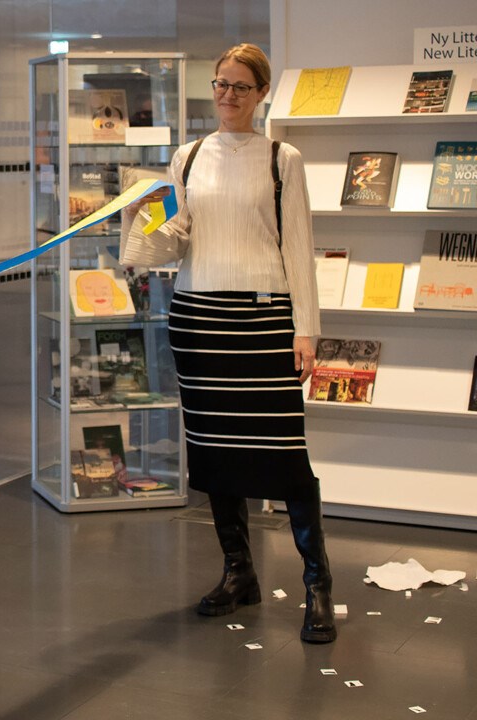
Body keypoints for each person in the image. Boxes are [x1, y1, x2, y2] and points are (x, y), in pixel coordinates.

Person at [120, 43, 335, 644]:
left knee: (288, 459)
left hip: (262, 321)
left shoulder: (280, 158)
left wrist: (306, 330)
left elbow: (297, 247)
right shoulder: (186, 157)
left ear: (261, 92)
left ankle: (318, 583)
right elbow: (168, 246)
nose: (228, 96)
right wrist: (146, 219)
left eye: (241, 86)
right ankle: (239, 572)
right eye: (221, 84)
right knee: (214, 453)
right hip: (196, 317)